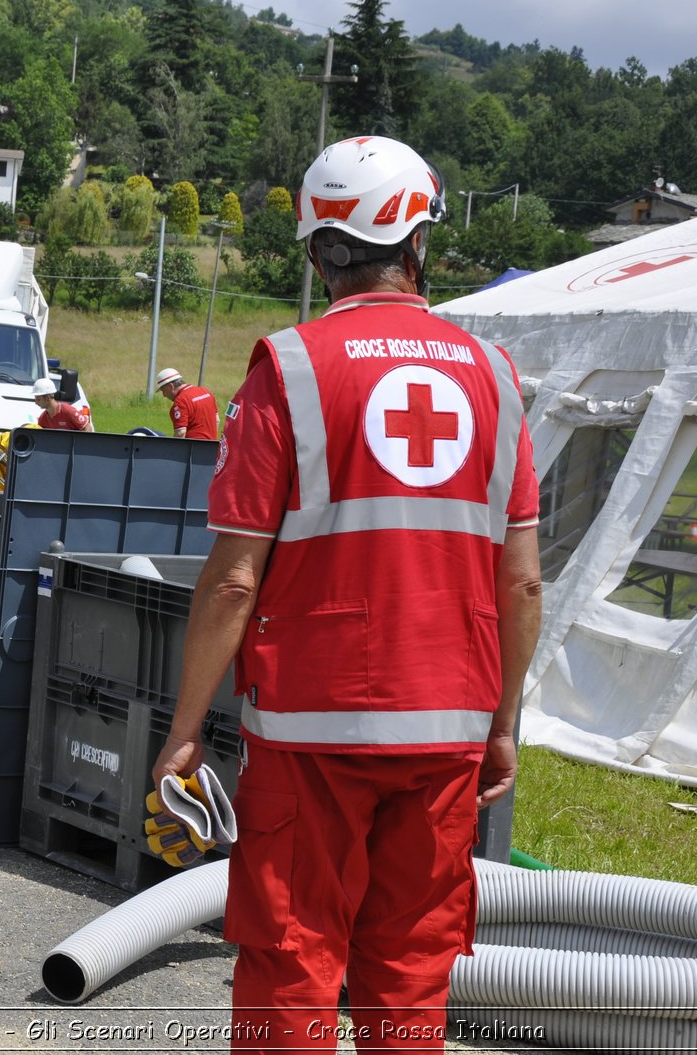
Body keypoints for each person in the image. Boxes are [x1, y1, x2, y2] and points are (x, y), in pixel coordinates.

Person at [149, 135, 544, 1055]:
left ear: (321, 250)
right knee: (410, 970)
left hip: (312, 727)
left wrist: (182, 728)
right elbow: (521, 577)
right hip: (446, 721)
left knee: (290, 960)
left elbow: (234, 577)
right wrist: (500, 722)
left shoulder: (289, 367)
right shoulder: (496, 377)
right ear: (416, 242)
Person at [156, 366, 219, 439]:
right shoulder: (206, 392)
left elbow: (180, 433)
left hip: (193, 448)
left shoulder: (180, 402)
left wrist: (175, 449)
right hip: (212, 447)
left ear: (171, 386)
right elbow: (216, 420)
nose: (164, 395)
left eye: (164, 390)